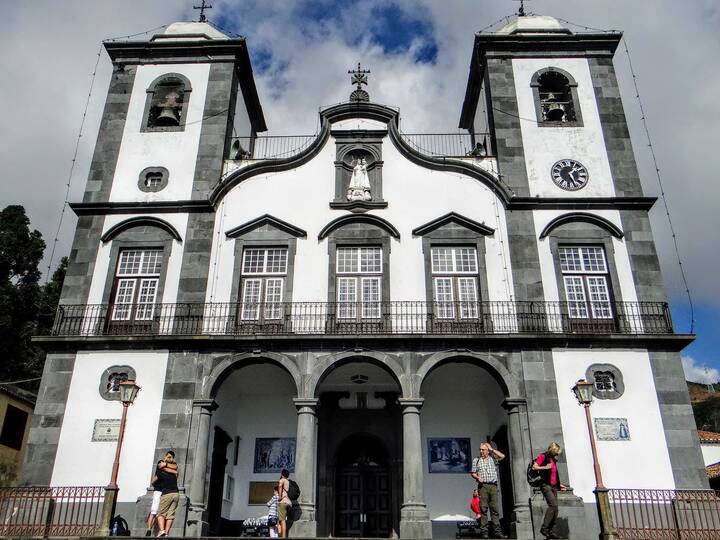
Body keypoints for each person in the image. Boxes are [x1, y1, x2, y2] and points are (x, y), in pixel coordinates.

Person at [470, 442, 507, 539]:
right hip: (483, 486)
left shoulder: (493, 459)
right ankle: (484, 532)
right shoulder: (476, 460)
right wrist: (477, 477)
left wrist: (492, 449)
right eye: (480, 449)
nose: (481, 451)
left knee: (495, 510)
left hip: (493, 486)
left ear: (487, 450)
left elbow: (502, 456)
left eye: (483, 449)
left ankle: (497, 532)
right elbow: (473, 472)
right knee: (483, 509)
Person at [532, 442, 569, 539]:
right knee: (553, 505)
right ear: (552, 450)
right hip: (545, 485)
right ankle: (544, 528)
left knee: (556, 509)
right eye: (556, 452)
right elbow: (534, 467)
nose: (557, 454)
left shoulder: (553, 459)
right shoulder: (543, 456)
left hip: (553, 486)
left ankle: (551, 530)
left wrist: (559, 485)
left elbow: (553, 474)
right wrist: (545, 467)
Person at [145, 457, 178, 536]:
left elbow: (175, 469)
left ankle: (162, 531)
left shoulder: (165, 472)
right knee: (155, 512)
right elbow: (153, 481)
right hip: (161, 492)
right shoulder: (161, 473)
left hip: (165, 493)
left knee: (160, 513)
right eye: (162, 463)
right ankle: (150, 530)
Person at [155, 451, 180, 537]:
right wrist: (173, 471)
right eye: (168, 456)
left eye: (171, 457)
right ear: (165, 456)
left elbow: (175, 466)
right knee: (170, 515)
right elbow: (161, 466)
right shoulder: (161, 463)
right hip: (176, 493)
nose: (170, 458)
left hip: (167, 493)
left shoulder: (173, 465)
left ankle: (162, 531)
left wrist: (165, 464)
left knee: (161, 514)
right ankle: (166, 533)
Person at [277, 468, 292, 538]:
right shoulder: (288, 482)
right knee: (281, 519)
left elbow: (280, 486)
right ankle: (281, 535)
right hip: (289, 503)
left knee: (282, 520)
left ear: (282, 474)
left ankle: (283, 536)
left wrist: (280, 496)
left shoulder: (282, 480)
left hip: (283, 501)